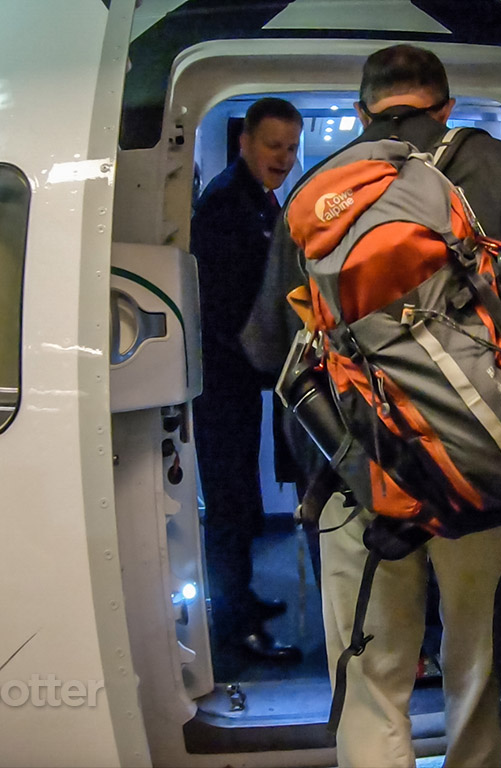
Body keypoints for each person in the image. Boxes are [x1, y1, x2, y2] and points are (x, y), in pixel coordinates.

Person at [242, 45, 501, 766]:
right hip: (484, 477)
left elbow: (267, 349)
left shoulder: (317, 189)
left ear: (361, 111)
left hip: (359, 482)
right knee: (476, 666)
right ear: (447, 106)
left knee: (373, 674)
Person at [191, 97, 304, 663]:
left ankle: (241, 599)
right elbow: (233, 309)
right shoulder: (224, 207)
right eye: (272, 145)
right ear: (245, 143)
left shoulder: (258, 200)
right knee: (231, 504)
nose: (282, 157)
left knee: (242, 498)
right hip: (221, 382)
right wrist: (276, 364)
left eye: (289, 147)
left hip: (240, 380)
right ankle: (233, 628)